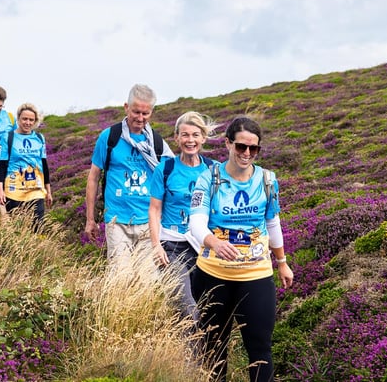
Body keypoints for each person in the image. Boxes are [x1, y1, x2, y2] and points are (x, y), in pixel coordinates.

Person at [188, 116, 294, 382]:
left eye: (253, 148)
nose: (247, 153)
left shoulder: (268, 180)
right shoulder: (208, 179)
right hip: (213, 275)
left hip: (256, 275)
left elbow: (272, 222)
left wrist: (281, 262)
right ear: (227, 143)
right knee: (213, 348)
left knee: (260, 348)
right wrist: (214, 242)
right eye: (241, 147)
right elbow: (196, 223)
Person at [84, 84, 174, 264]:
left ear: (151, 112)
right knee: (121, 278)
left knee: (146, 281)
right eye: (136, 112)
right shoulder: (109, 137)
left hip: (148, 222)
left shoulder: (157, 143)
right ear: (126, 107)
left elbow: (172, 177)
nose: (140, 118)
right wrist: (90, 219)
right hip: (117, 220)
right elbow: (93, 178)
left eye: (145, 113)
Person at [148, 111, 218, 321]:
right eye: (185, 135)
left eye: (195, 135)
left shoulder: (213, 169)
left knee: (209, 307)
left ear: (203, 138)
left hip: (205, 245)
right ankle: (192, 354)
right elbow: (154, 209)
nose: (190, 140)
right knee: (186, 306)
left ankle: (209, 353)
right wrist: (155, 245)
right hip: (172, 244)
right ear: (176, 138)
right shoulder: (166, 169)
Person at [0, 103, 52, 231]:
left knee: (37, 227)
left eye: (31, 120)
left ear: (35, 121)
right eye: (24, 119)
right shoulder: (8, 138)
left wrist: (48, 191)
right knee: (18, 229)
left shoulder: (39, 138)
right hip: (14, 190)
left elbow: (44, 165)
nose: (27, 122)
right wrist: (0, 190)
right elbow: (1, 166)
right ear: (18, 119)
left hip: (36, 189)